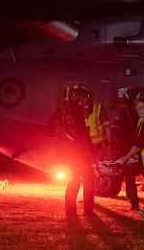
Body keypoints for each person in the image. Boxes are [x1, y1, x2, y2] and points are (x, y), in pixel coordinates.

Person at [46, 87, 95, 218]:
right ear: (79, 99)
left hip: (64, 154)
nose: (87, 103)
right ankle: (88, 211)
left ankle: (70, 211)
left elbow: (48, 131)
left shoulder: (60, 110)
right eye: (85, 100)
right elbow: (83, 134)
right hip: (78, 153)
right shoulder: (77, 111)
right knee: (89, 180)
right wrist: (91, 150)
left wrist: (64, 135)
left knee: (73, 182)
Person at [112, 89, 141, 210]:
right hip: (132, 149)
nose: (137, 101)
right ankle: (134, 203)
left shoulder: (131, 111)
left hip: (133, 149)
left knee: (131, 178)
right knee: (130, 178)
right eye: (136, 99)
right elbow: (120, 133)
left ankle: (135, 203)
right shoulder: (128, 112)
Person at [79, 86, 112, 159]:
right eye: (80, 98)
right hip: (83, 145)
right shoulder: (78, 110)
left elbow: (107, 127)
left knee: (97, 165)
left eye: (83, 98)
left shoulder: (98, 108)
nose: (82, 100)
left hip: (98, 145)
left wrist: (109, 144)